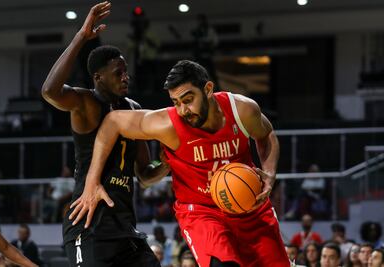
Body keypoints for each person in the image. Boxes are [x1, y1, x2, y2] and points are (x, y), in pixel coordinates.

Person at [70, 59, 289, 266]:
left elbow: (266, 135)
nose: (183, 110)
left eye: (188, 100)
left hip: (249, 205)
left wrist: (269, 174)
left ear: (208, 89)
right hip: (202, 212)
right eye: (176, 102)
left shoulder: (242, 110)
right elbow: (112, 122)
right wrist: (92, 180)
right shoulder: (168, 124)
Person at [41, 2, 170, 266]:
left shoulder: (133, 109)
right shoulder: (86, 104)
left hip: (125, 226)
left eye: (126, 72)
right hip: (89, 223)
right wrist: (80, 37)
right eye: (118, 73)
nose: (126, 78)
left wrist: (168, 162)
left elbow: (145, 173)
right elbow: (50, 91)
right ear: (98, 77)